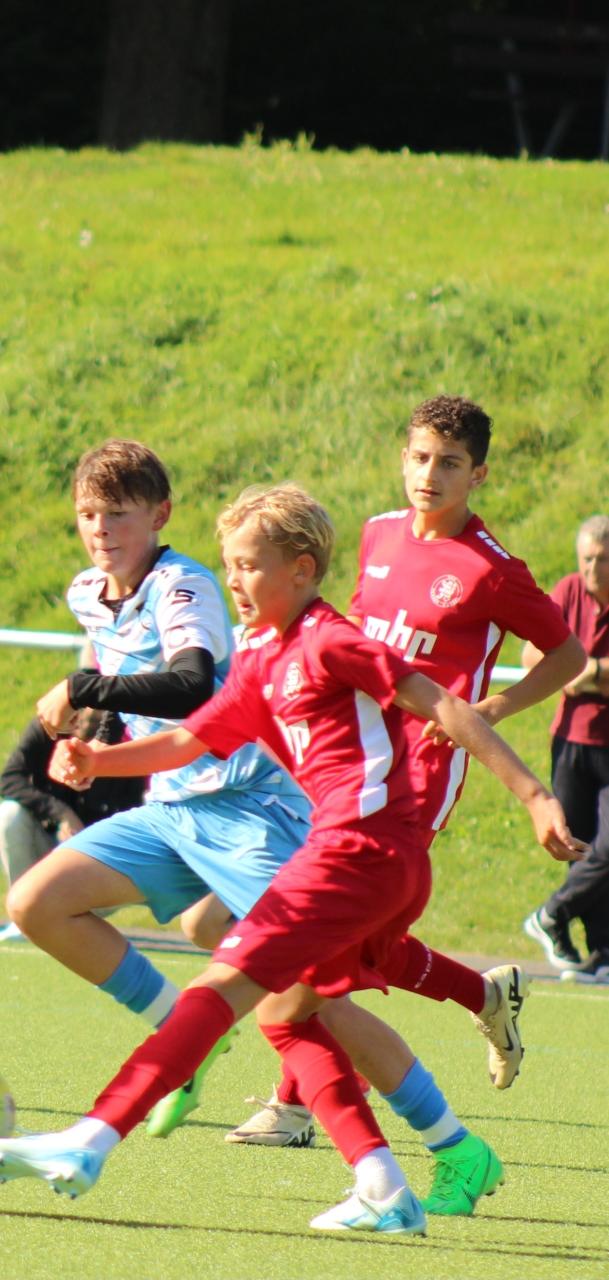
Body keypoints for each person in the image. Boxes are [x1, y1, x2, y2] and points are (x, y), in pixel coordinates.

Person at [0, 482, 583, 1237]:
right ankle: (385, 1185)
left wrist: (534, 796)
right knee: (287, 1014)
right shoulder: (261, 656)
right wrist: (101, 760)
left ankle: (89, 1141)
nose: (233, 580)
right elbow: (191, 740)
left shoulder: (332, 641)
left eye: (248, 566)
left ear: (302, 569)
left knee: (219, 988)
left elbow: (447, 706)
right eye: (228, 565)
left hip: (358, 855)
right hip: (360, 861)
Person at [223, 397, 583, 1209]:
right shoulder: (379, 533)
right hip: (351, 757)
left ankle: (297, 1104)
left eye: (449, 463)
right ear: (403, 457)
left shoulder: (491, 568)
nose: (430, 474)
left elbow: (567, 655)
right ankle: (482, 997)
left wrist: (491, 711)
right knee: (359, 944)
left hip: (424, 768)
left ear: (477, 474)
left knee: (336, 933)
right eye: (420, 457)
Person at [7, 440, 314, 1137]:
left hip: (250, 803)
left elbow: (190, 685)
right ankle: (184, 1030)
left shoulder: (184, 585)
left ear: (160, 514)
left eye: (118, 513)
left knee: (317, 976)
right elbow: (115, 668)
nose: (101, 530)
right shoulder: (86, 593)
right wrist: (90, 743)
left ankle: (439, 1108)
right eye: (88, 514)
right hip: (172, 808)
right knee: (35, 903)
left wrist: (82, 688)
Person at [523, 513, 609, 980]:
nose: (593, 568)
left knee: (607, 848)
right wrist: (593, 671)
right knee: (579, 847)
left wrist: (583, 669)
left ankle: (551, 915)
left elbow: (571, 668)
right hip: (571, 741)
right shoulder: (568, 591)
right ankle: (601, 952)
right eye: (587, 559)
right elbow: (532, 655)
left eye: (603, 559)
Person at [0, 708, 143, 940]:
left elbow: (138, 816)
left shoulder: (128, 743)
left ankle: (76, 926)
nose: (91, 714)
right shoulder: (49, 728)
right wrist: (60, 813)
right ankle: (25, 916)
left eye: (101, 708)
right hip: (48, 850)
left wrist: (90, 841)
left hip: (99, 864)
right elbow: (9, 780)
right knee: (8, 814)